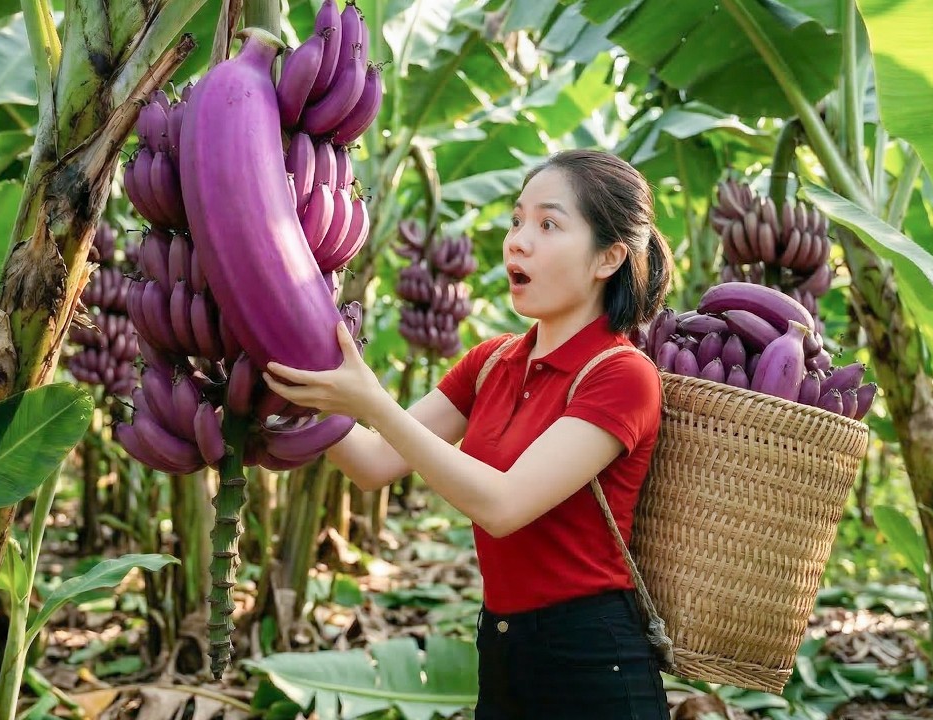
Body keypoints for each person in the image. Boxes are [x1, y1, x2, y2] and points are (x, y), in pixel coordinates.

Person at [263, 148, 673, 719]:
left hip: (592, 659)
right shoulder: (491, 362)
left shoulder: (622, 376)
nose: (517, 241)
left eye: (548, 224)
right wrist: (279, 382)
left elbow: (503, 504)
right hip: (502, 646)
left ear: (608, 257)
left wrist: (373, 402)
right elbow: (374, 463)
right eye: (516, 220)